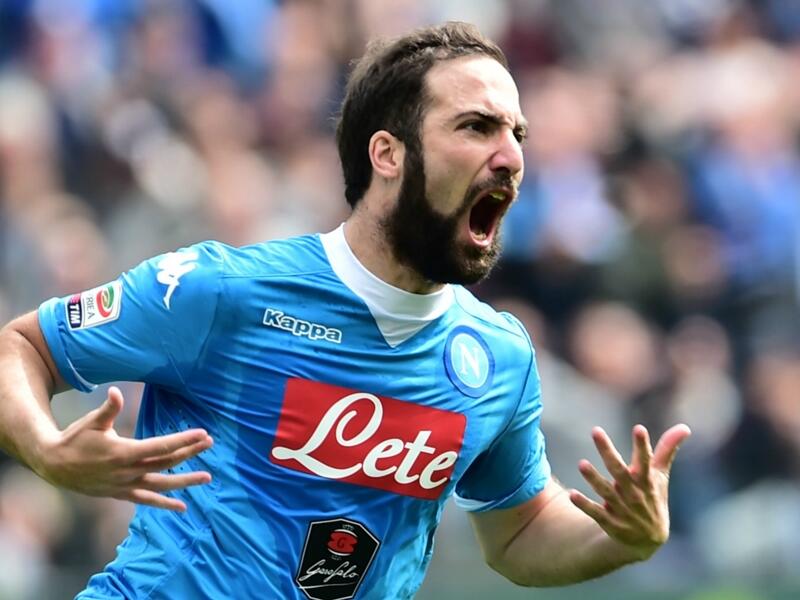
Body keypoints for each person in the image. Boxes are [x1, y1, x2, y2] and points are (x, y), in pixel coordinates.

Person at [0, 21, 690, 600]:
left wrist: (621, 540)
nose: (510, 156)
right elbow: (20, 348)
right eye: (477, 127)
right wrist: (48, 451)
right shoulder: (222, 291)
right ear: (387, 153)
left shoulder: (498, 358)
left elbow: (520, 532)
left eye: (517, 134)